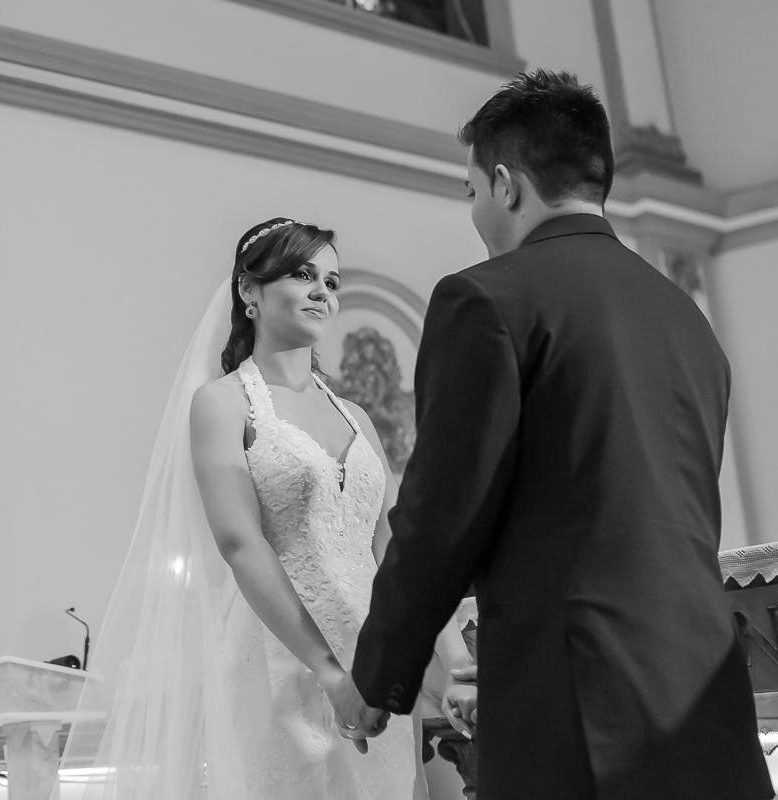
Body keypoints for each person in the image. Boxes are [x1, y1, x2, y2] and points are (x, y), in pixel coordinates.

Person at [330, 70, 775, 800]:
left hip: (578, 700)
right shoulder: (684, 316)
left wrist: (377, 678)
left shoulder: (485, 299)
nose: (475, 211)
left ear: (505, 184)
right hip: (709, 694)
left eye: (472, 191)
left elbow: (443, 514)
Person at [61, 218, 474, 800]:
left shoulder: (357, 418)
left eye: (331, 281)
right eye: (302, 274)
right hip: (279, 652)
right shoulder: (223, 404)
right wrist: (329, 673)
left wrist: (453, 666)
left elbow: (399, 552)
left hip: (375, 658)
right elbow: (239, 543)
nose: (321, 292)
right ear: (248, 292)